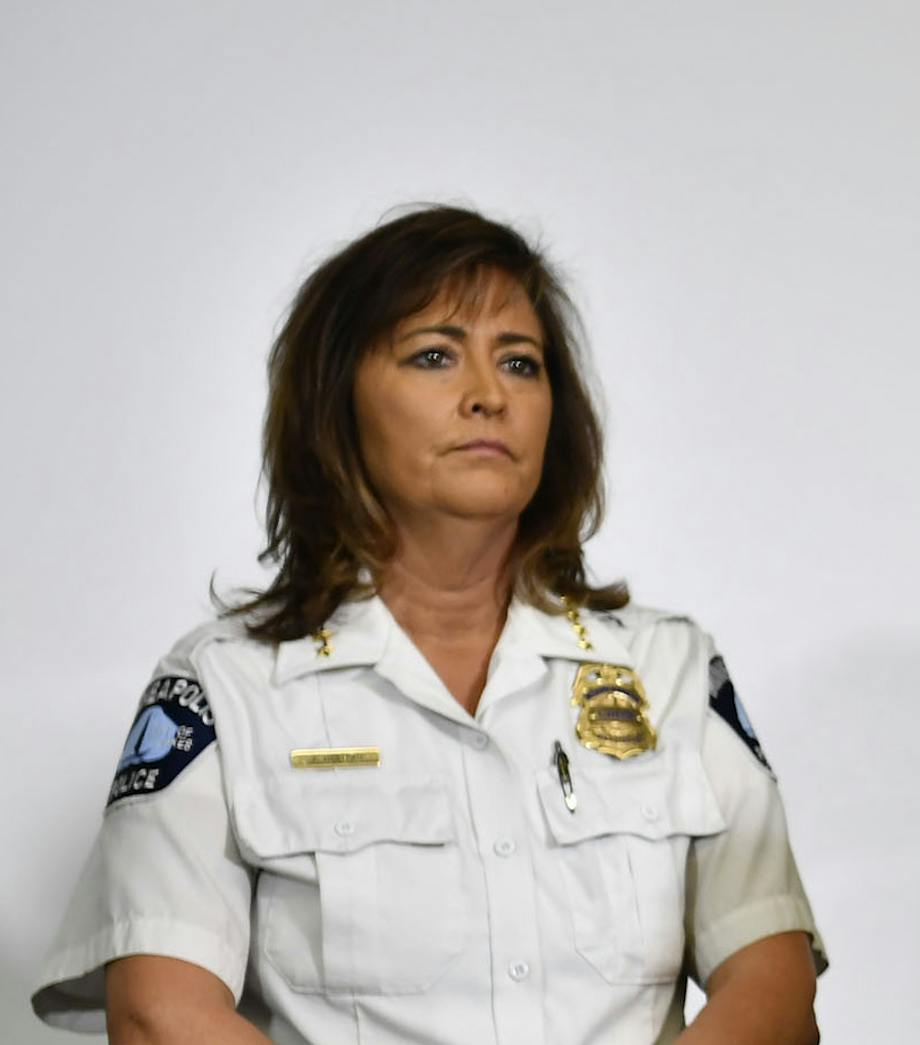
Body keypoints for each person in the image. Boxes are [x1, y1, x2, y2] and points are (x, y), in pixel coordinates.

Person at [31, 206, 826, 1044]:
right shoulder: (224, 686)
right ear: (336, 404)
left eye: (521, 363)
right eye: (435, 355)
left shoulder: (669, 670)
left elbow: (773, 988)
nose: (488, 395)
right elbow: (160, 1014)